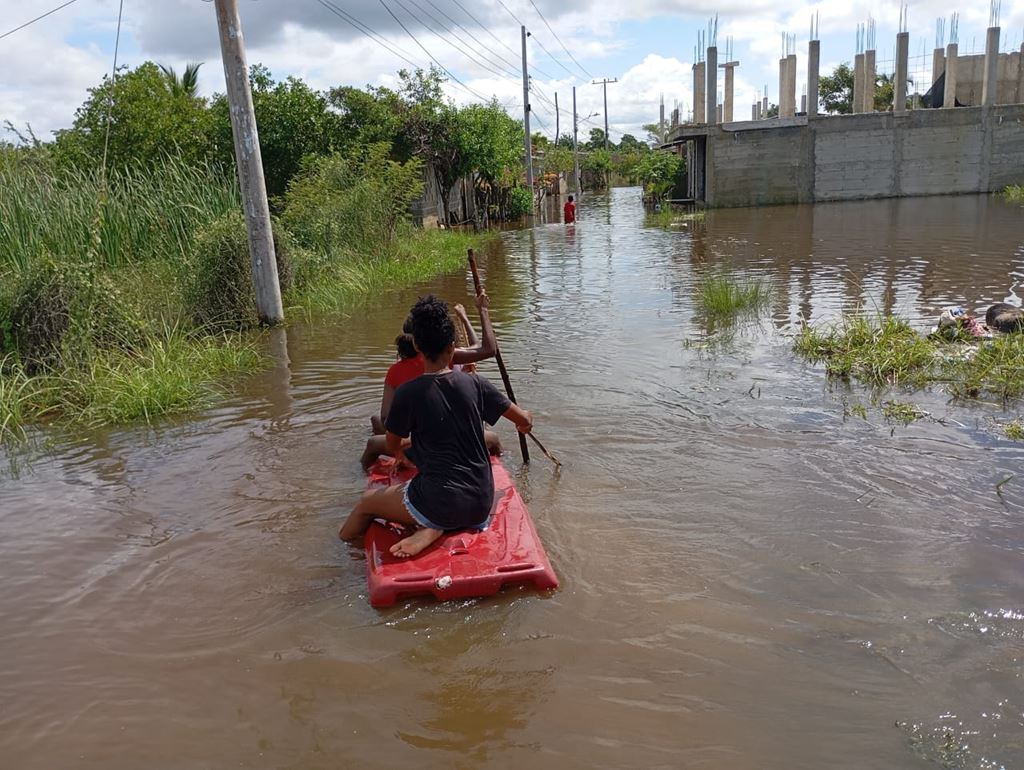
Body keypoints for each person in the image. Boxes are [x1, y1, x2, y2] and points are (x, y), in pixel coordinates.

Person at [340, 295, 534, 558]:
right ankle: (433, 527)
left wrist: (402, 456)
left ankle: (346, 559)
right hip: (480, 503)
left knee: (365, 505)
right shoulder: (476, 383)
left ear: (417, 346)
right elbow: (523, 421)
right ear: (452, 347)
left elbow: (392, 443)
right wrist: (526, 421)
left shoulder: (409, 392)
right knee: (442, 489)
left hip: (439, 503)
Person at [360, 293, 503, 470]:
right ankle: (497, 469)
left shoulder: (396, 370)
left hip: (415, 443)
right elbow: (488, 349)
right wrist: (482, 310)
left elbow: (386, 418)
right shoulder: (447, 357)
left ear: (415, 343)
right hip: (448, 438)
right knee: (493, 438)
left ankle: (361, 479)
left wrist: (400, 444)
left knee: (375, 432)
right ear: (448, 345)